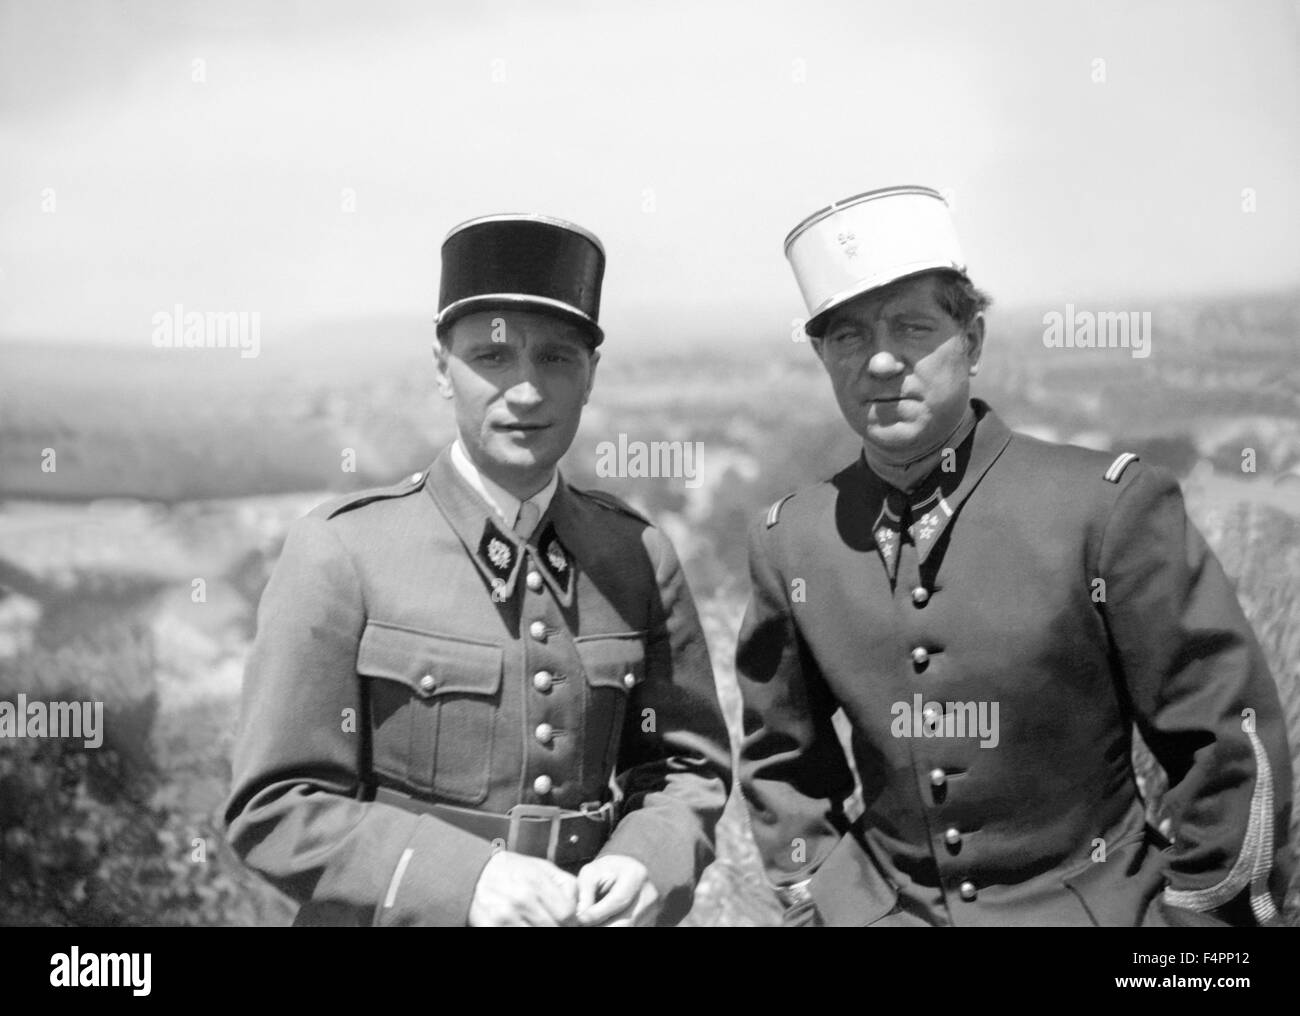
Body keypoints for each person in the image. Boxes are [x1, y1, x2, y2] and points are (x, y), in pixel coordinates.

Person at [735, 185, 1293, 926]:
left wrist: (1186, 949)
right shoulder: (793, 541)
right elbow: (783, 766)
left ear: (972, 340)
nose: (878, 361)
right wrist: (823, 904)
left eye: (912, 327)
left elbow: (1227, 750)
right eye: (846, 337)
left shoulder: (1105, 509)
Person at [224, 213, 731, 927]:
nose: (525, 392)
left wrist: (647, 859)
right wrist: (466, 882)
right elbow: (273, 806)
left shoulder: (635, 557)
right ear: (442, 371)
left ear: (590, 377)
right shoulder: (342, 552)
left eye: (556, 358)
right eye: (492, 359)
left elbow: (684, 769)